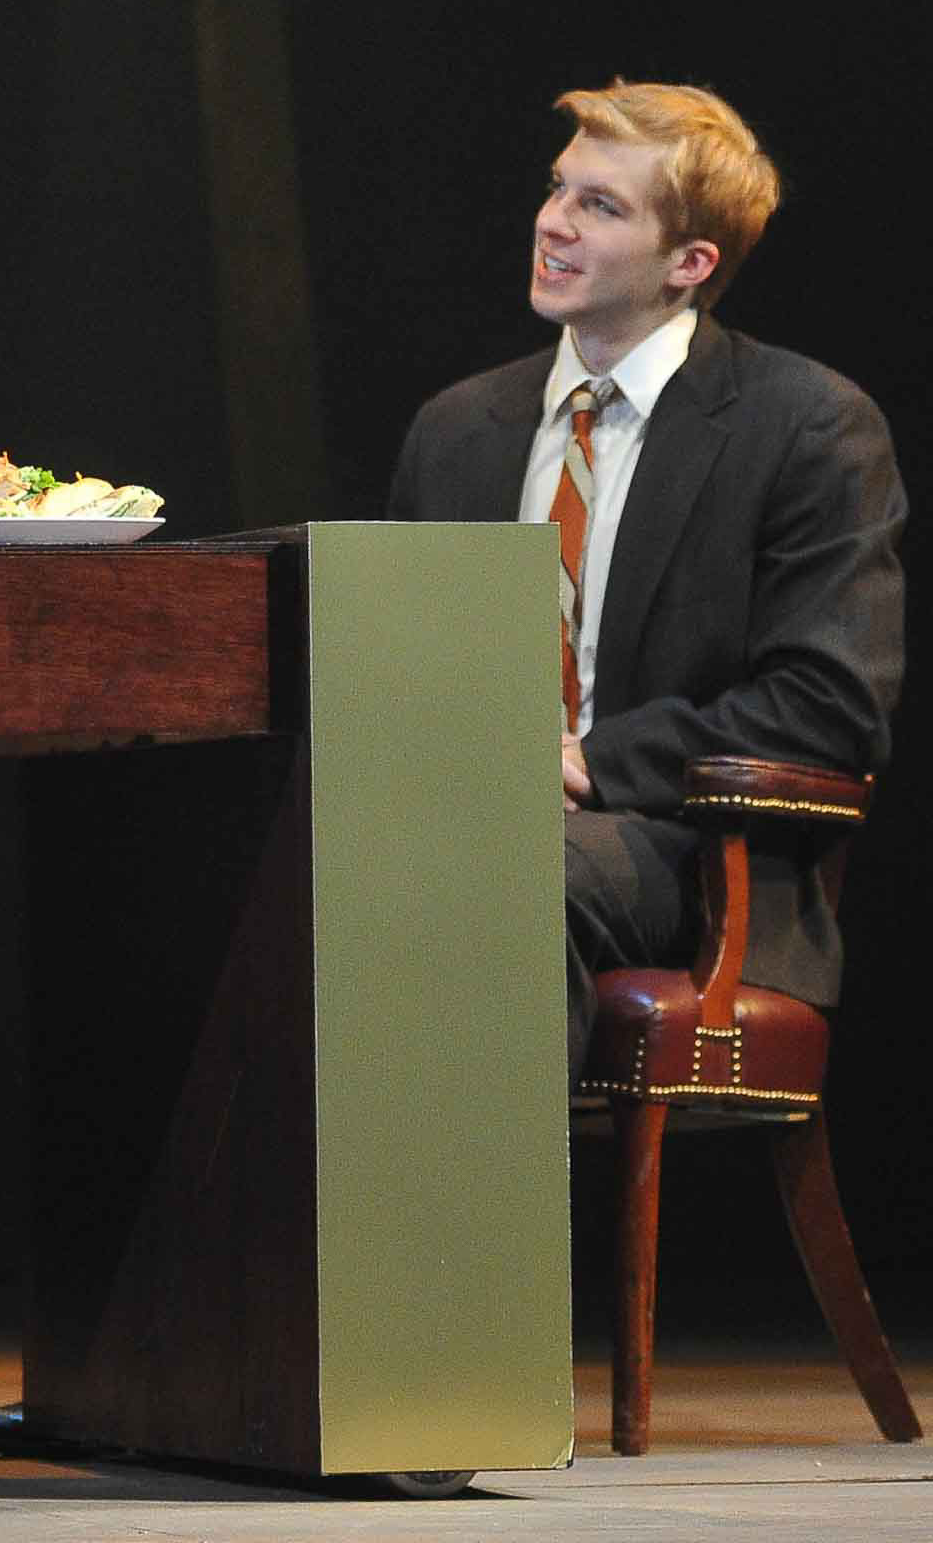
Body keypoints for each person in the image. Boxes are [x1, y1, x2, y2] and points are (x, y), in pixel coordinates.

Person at [386, 81, 904, 1077]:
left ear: (690, 263)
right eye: (557, 189)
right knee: (295, 866)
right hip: (474, 828)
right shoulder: (458, 429)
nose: (552, 223)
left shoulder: (805, 427)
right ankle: (312, 1228)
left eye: (601, 205)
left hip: (695, 855)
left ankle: (482, 1227)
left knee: (493, 874)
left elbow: (828, 707)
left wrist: (586, 763)